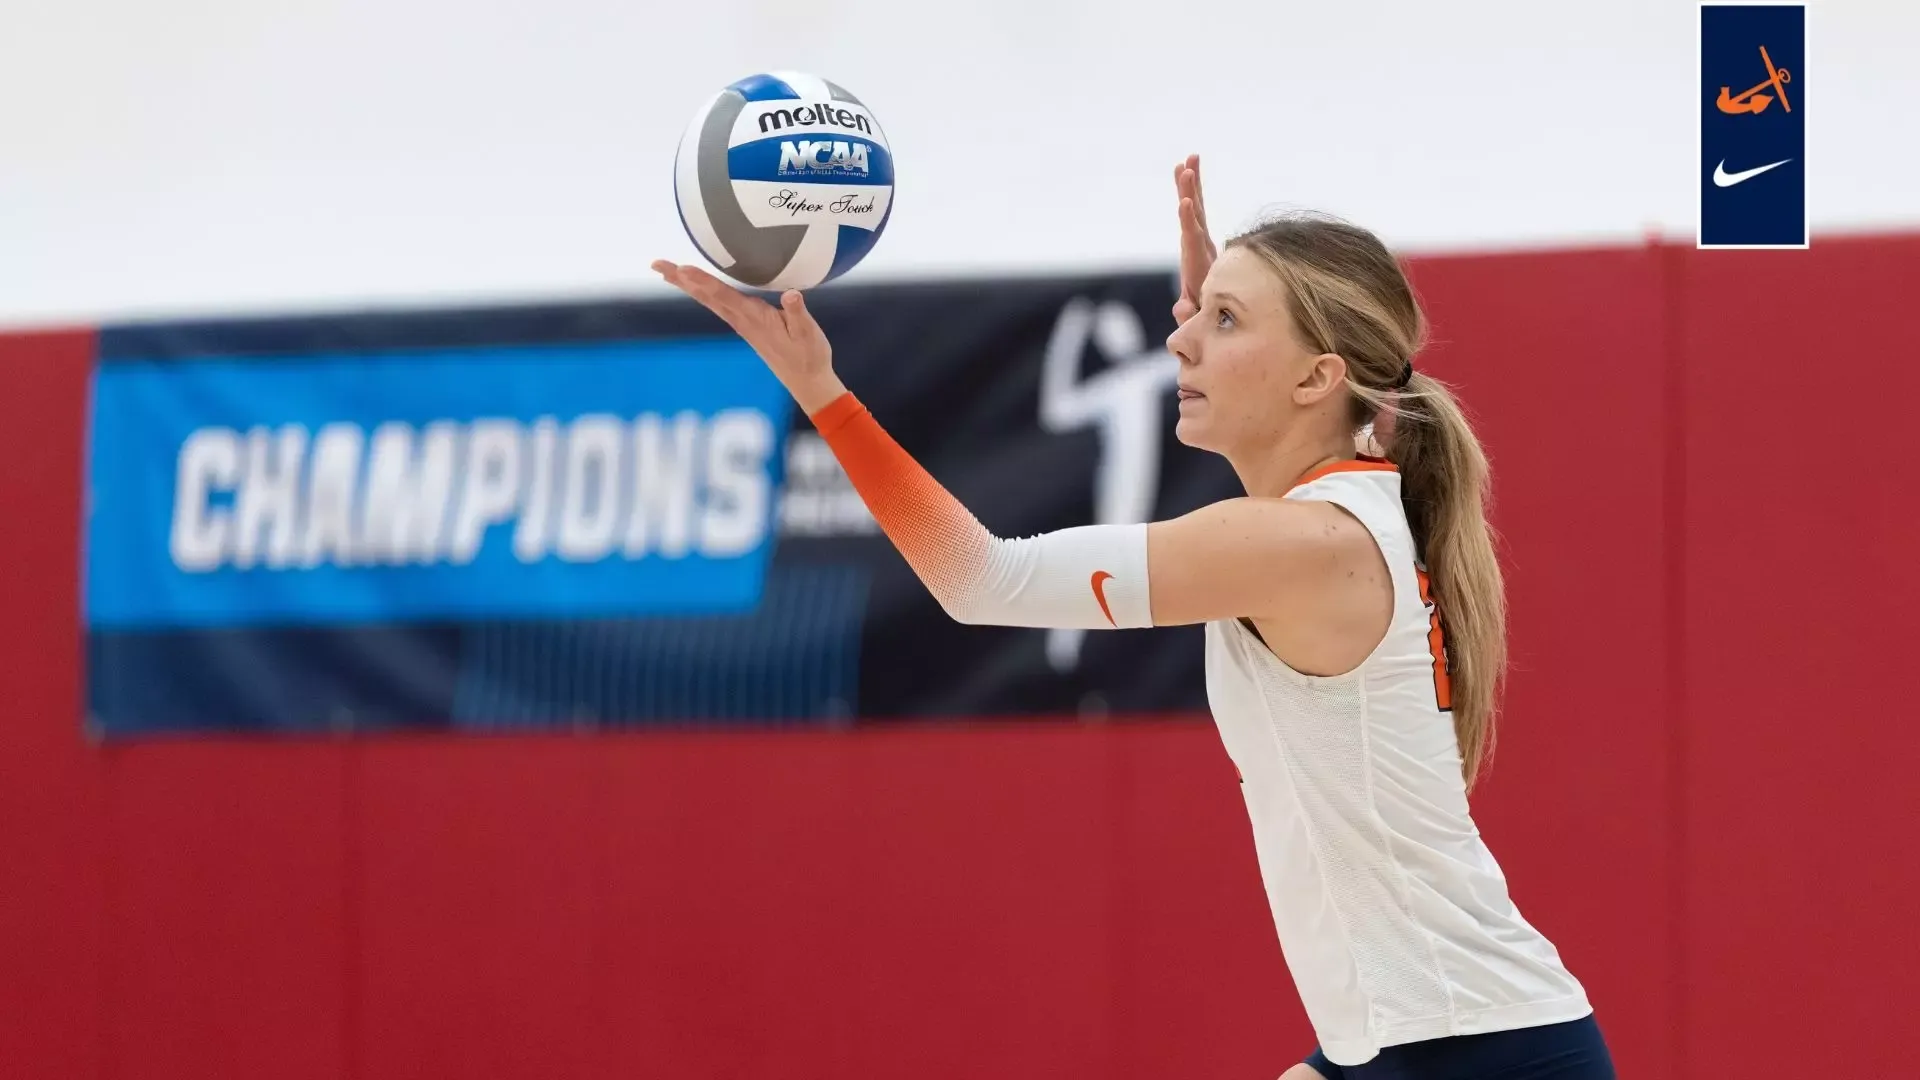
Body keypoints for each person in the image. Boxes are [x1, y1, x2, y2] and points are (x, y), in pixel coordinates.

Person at [650, 155, 1616, 1080]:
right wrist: (1225, 319)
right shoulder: (1325, 519)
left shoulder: (1303, 547)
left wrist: (822, 391)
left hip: (1475, 1049)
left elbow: (979, 579)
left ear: (1318, 378)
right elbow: (1259, 444)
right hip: (1411, 1039)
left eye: (1223, 320)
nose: (1178, 339)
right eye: (1196, 313)